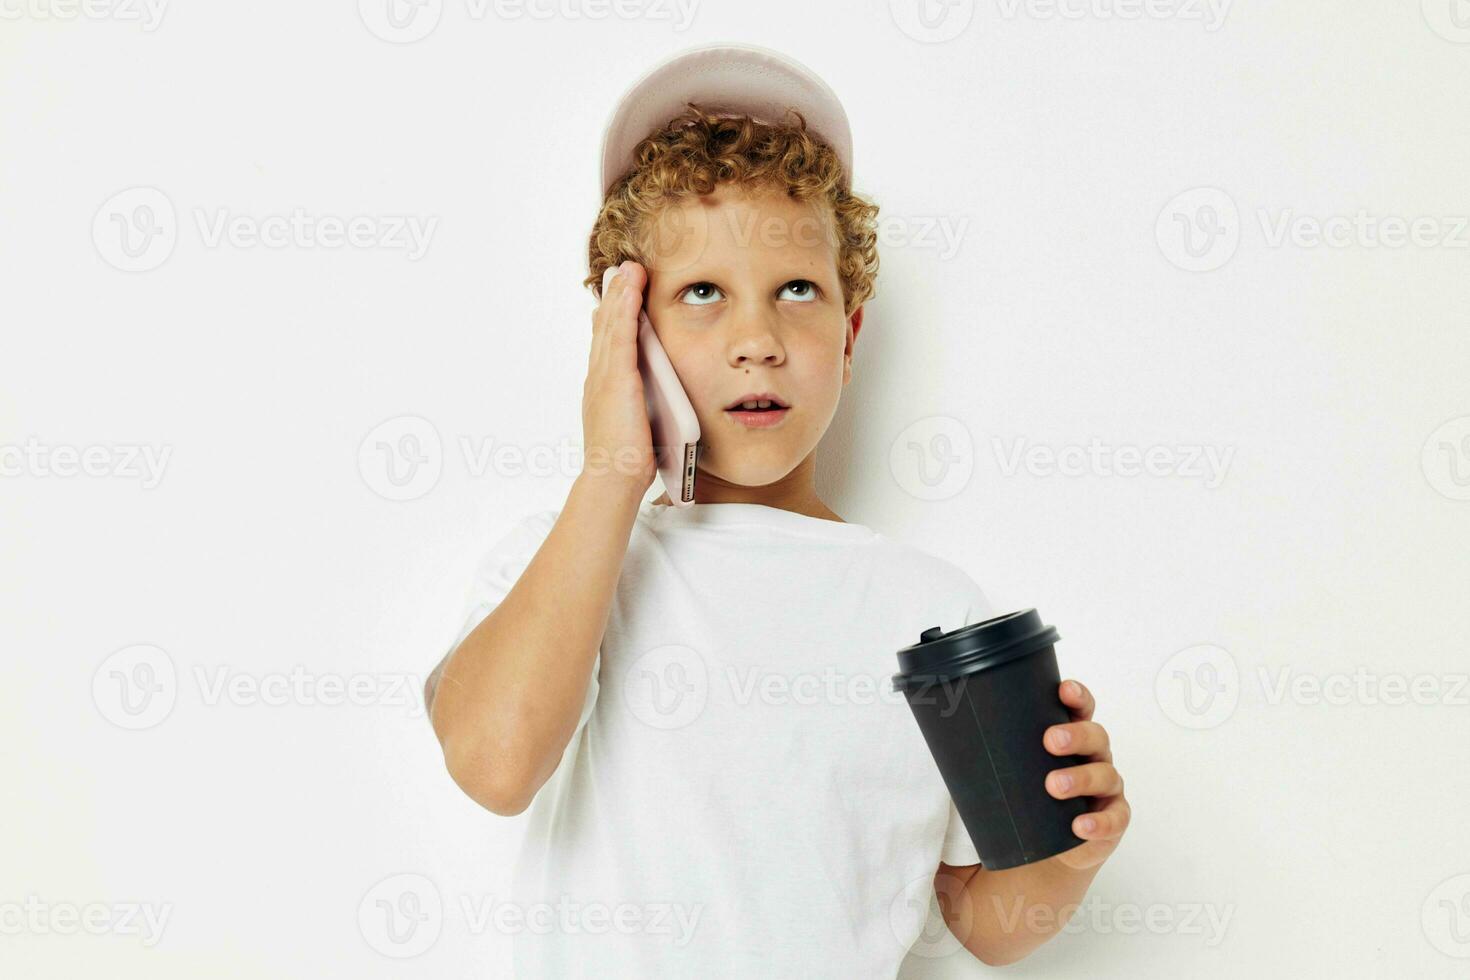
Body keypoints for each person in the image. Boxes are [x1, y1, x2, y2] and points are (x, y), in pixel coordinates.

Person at [424, 42, 1130, 977]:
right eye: (701, 293)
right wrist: (611, 471)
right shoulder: (564, 566)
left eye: (796, 289)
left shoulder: (932, 612)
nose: (756, 340)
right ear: (628, 336)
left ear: (849, 332)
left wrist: (1072, 857)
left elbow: (980, 915)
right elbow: (495, 764)